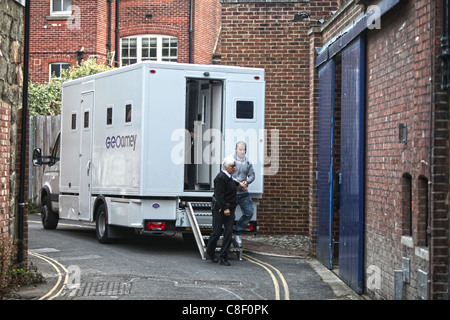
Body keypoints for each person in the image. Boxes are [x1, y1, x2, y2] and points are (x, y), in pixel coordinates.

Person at [206, 156, 239, 266]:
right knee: (216, 232)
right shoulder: (220, 178)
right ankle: (210, 253)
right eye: (232, 166)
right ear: (226, 167)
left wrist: (240, 184)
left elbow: (232, 184)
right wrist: (225, 208)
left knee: (228, 232)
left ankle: (223, 257)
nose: (234, 168)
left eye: (234, 166)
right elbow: (219, 195)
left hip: (230, 208)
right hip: (220, 209)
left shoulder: (229, 177)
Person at [232, 141, 255, 247]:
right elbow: (227, 175)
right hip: (232, 192)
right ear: (236, 149)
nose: (242, 152)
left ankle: (237, 230)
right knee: (228, 215)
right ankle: (229, 234)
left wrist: (247, 182)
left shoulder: (248, 161)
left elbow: (252, 175)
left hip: (243, 193)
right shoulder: (230, 160)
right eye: (240, 149)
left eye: (244, 150)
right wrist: (238, 183)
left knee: (249, 212)